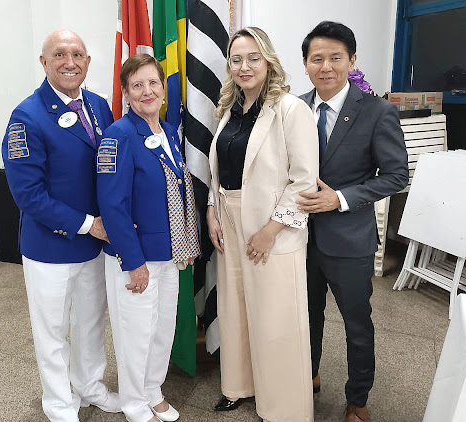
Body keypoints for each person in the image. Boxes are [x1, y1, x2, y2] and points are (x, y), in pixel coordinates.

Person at [1, 29, 119, 422]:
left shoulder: (99, 106)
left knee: (90, 324)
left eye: (77, 55)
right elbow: (28, 195)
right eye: (60, 55)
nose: (70, 62)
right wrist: (88, 224)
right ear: (44, 62)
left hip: (94, 245)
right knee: (52, 331)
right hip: (50, 247)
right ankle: (58, 403)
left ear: (87, 61)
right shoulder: (27, 117)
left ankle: (90, 387)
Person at [297, 21, 409, 422]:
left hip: (349, 240)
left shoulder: (377, 111)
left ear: (352, 60)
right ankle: (308, 375)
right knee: (306, 316)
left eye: (335, 58)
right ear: (306, 64)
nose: (326, 66)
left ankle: (357, 399)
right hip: (299, 239)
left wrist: (340, 198)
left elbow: (396, 176)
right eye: (317, 59)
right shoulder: (294, 108)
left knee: (357, 325)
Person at [205, 27, 318, 422]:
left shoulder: (290, 109)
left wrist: (271, 230)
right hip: (229, 219)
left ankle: (284, 408)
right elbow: (219, 170)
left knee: (274, 317)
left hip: (272, 227)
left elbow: (303, 181)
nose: (245, 66)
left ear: (268, 60)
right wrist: (212, 210)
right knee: (235, 308)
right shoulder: (229, 110)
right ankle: (239, 386)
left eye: (253, 58)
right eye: (236, 59)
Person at [96, 54, 200, 422]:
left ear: (163, 89)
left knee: (161, 330)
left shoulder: (168, 131)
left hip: (169, 251)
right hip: (135, 256)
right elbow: (113, 206)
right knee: (135, 335)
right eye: (137, 85)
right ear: (126, 93)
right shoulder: (118, 136)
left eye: (153, 83)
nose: (147, 91)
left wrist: (186, 240)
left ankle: (152, 390)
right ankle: (134, 403)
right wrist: (134, 261)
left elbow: (178, 190)